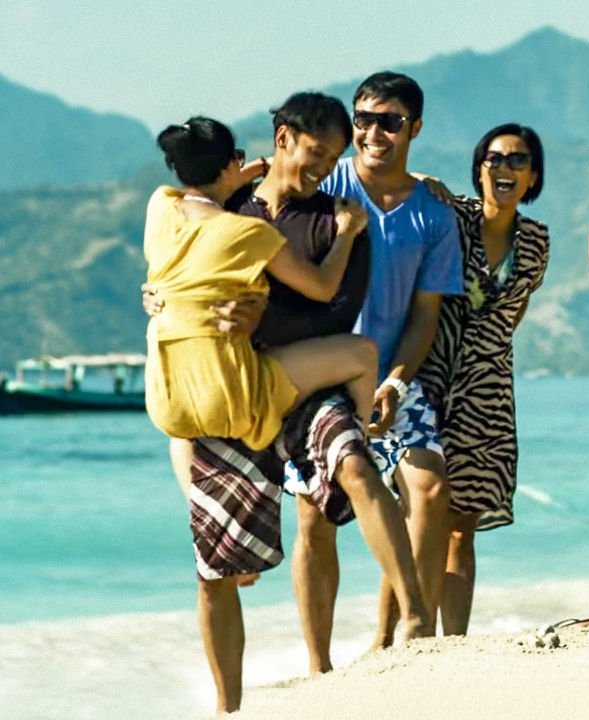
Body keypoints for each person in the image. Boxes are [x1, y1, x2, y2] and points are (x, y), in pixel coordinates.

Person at [145, 94, 431, 715]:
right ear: (282, 140)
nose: (323, 168)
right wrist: (165, 300)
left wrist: (258, 316)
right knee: (216, 570)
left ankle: (415, 616)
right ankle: (228, 707)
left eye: (332, 158)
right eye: (315, 153)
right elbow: (178, 277)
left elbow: (336, 308)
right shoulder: (232, 208)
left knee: (354, 463)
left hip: (304, 383)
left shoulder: (337, 218)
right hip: (232, 386)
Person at [304, 71, 465, 644]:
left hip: (393, 378)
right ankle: (319, 667)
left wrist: (395, 384)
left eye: (390, 122)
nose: (374, 133)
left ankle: (403, 639)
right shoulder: (323, 186)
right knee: (315, 519)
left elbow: (425, 315)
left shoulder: (434, 215)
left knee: (430, 489)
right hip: (316, 374)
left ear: (414, 128)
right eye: (364, 120)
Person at [397, 123, 550, 636]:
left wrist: (486, 356)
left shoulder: (537, 241)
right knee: (419, 518)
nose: (505, 168)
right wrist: (424, 177)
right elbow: (400, 184)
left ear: (533, 177)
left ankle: (454, 643)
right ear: (479, 169)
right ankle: (399, 635)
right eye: (494, 158)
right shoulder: (451, 217)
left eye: (518, 160)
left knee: (463, 526)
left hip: (487, 394)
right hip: (432, 379)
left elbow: (514, 312)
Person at [144, 117, 379, 450]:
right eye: (238, 159)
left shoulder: (160, 206)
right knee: (363, 353)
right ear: (229, 165)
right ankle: (361, 446)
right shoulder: (248, 232)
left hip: (166, 399)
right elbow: (323, 287)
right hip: (230, 399)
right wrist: (346, 232)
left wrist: (255, 167)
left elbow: (206, 192)